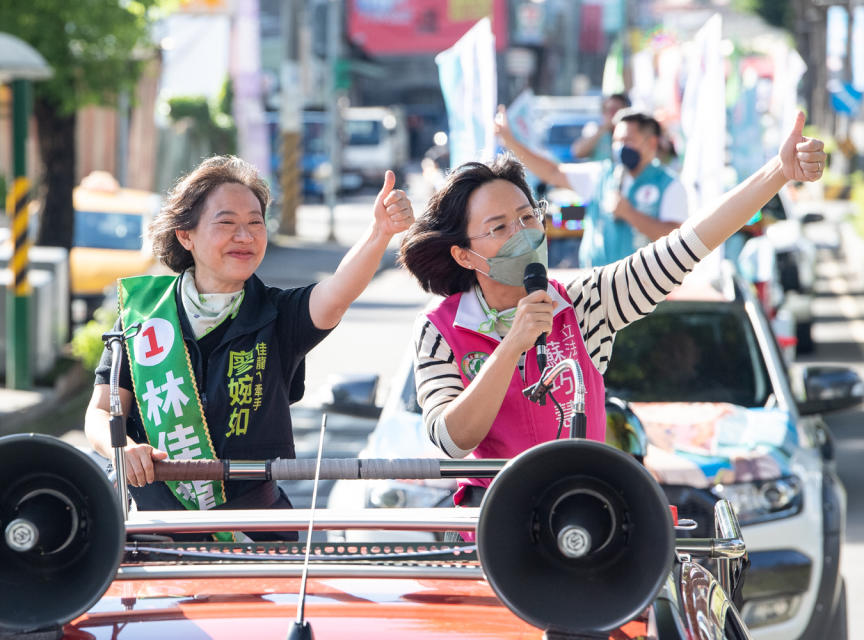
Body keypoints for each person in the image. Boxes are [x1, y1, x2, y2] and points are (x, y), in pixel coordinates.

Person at [397, 112, 824, 522]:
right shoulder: (439, 329)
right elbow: (452, 439)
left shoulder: (587, 302)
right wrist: (512, 346)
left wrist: (778, 173)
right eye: (499, 227)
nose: (522, 234)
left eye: (528, 217)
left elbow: (685, 245)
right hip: (490, 521)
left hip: (585, 513)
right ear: (463, 253)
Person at [84, 155, 413, 539]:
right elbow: (101, 411)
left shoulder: (279, 314)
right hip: (154, 530)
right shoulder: (142, 314)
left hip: (256, 534)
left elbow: (337, 293)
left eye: (255, 223)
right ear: (185, 235)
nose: (245, 236)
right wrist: (120, 447)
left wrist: (379, 233)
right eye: (226, 223)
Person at [497, 106, 689, 268]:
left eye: (628, 141)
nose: (620, 147)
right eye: (616, 141)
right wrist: (510, 142)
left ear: (652, 142)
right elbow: (553, 172)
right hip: (596, 285)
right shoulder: (602, 174)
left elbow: (675, 240)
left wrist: (630, 214)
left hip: (644, 291)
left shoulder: (669, 185)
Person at [570, 92, 631, 161]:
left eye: (616, 110)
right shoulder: (593, 129)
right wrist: (603, 129)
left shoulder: (632, 132)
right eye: (608, 110)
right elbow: (578, 152)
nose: (612, 114)